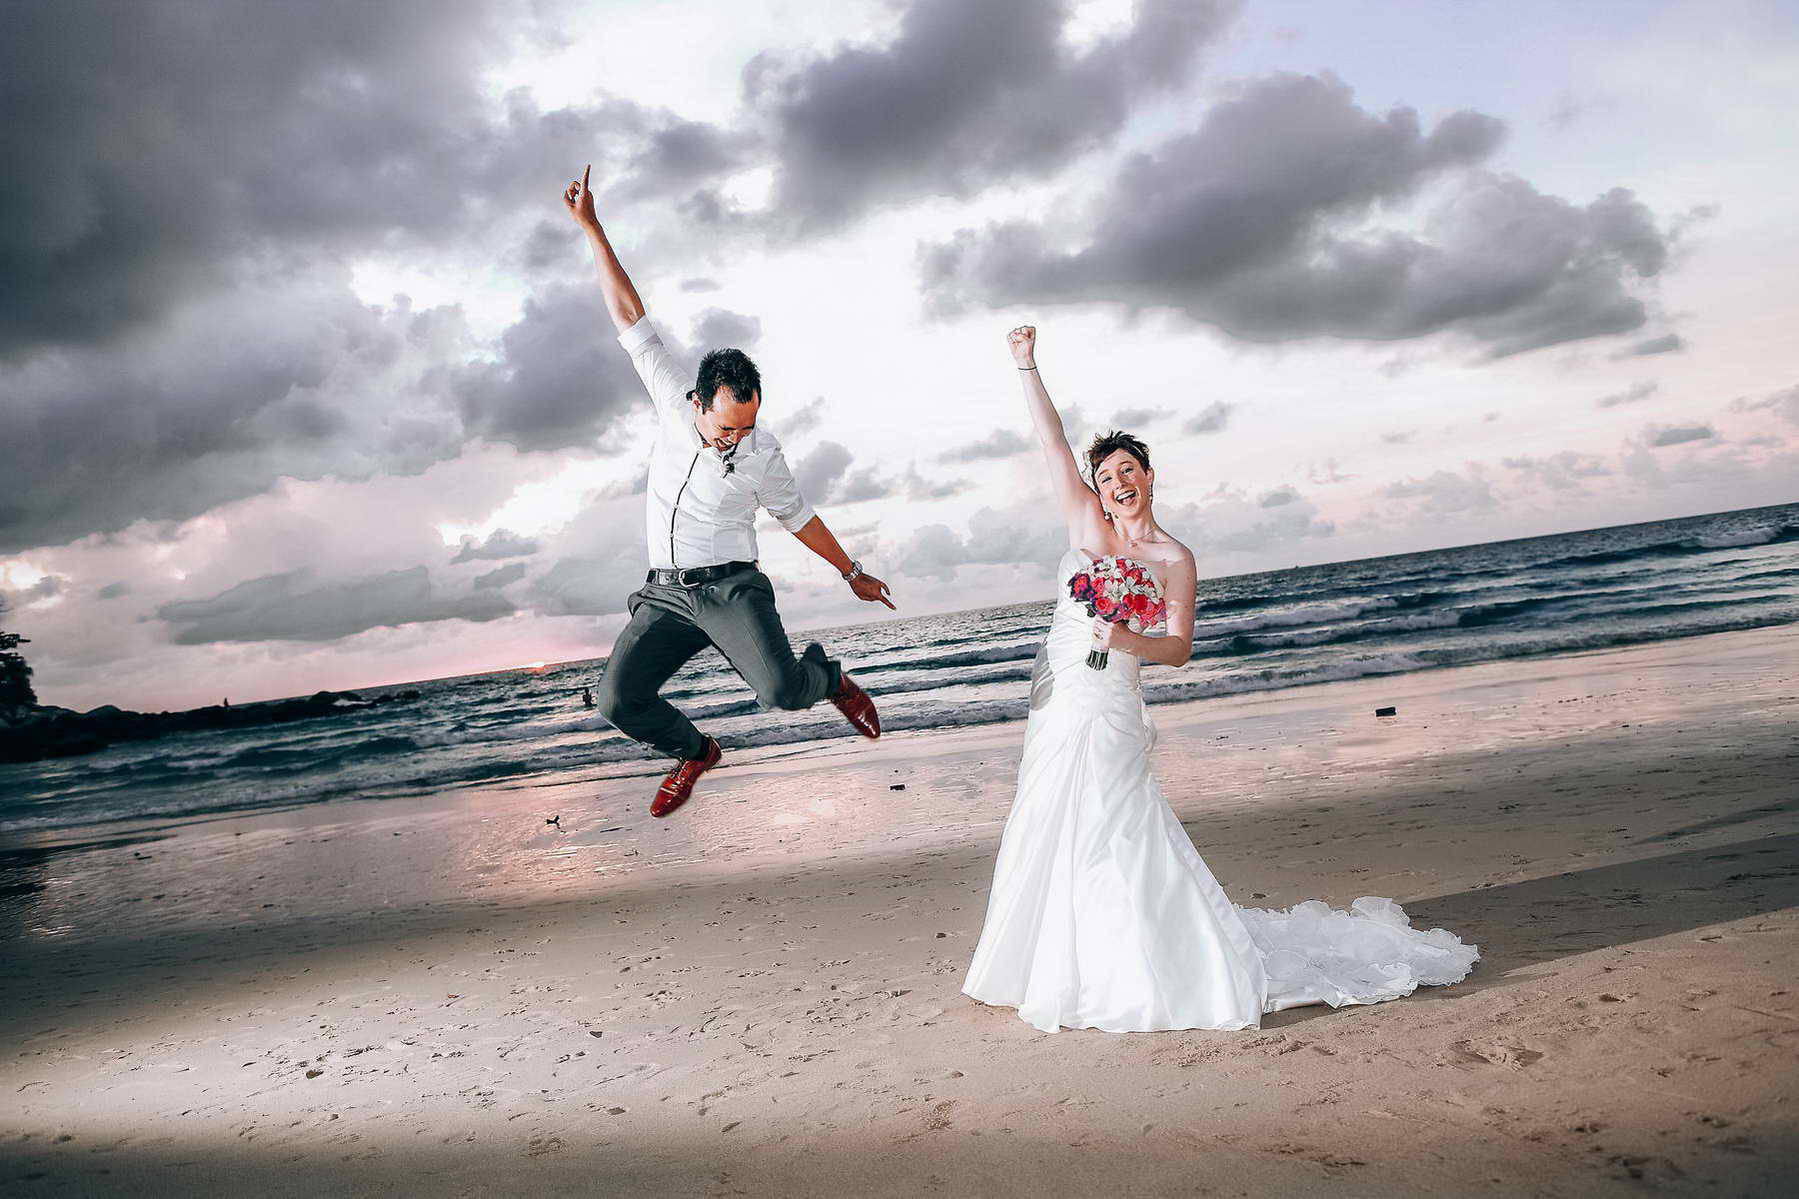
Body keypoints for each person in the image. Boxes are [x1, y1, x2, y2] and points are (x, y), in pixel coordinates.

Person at [961, 325, 1478, 1032]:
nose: (1117, 484)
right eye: (1106, 476)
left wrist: (1126, 639)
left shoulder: (1175, 558)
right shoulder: (1085, 524)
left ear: (1149, 476)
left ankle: (1143, 960)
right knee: (1046, 812)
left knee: (1115, 817)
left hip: (1112, 698)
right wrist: (1026, 365)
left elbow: (1177, 649)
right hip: (1060, 695)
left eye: (1128, 471)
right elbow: (1051, 444)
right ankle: (1044, 962)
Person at [562, 165, 891, 818]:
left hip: (732, 589)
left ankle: (828, 677)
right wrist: (592, 227)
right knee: (616, 699)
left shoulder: (762, 452)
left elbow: (799, 516)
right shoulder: (669, 395)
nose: (736, 438)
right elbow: (628, 313)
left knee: (780, 692)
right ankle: (694, 751)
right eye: (725, 427)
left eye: (747, 425)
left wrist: (851, 571)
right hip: (666, 594)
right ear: (698, 402)